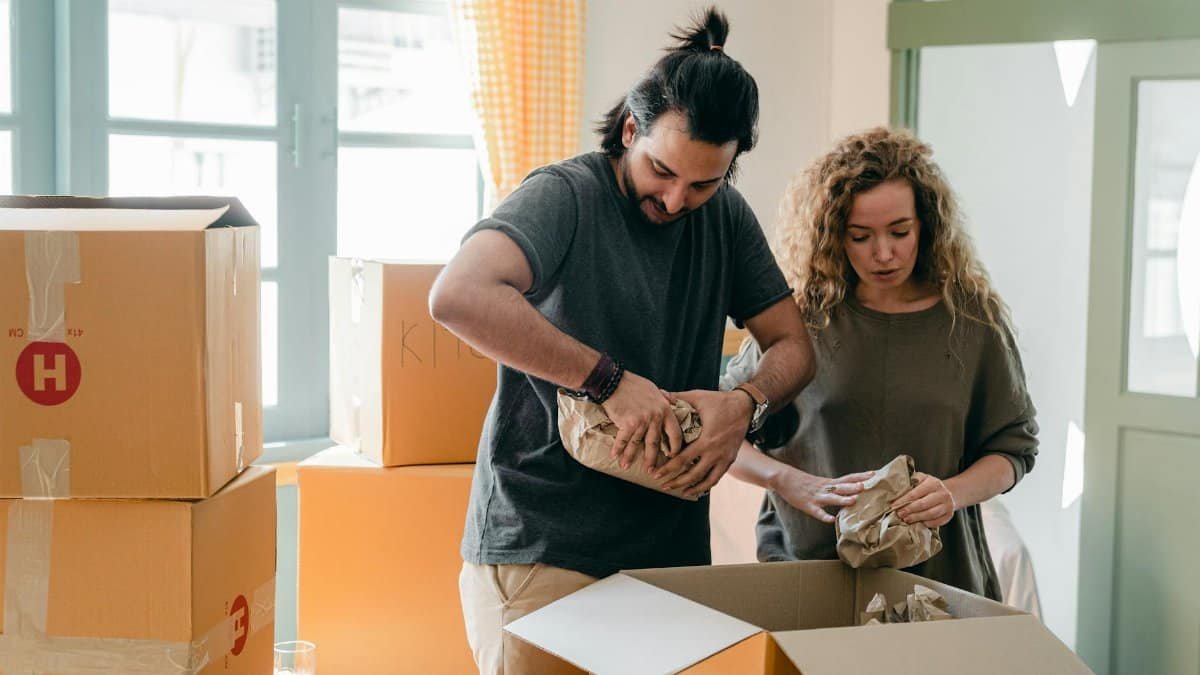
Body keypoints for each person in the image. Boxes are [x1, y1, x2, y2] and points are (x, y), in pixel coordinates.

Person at [428, 8, 815, 673]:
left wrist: (745, 402)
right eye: (661, 171)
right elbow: (458, 295)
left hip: (668, 560)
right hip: (543, 551)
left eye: (703, 182)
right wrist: (607, 381)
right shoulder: (565, 196)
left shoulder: (723, 217)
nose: (673, 200)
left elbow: (794, 349)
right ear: (631, 129)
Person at [724, 127, 1038, 600]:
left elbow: (1013, 449)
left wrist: (951, 493)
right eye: (861, 236)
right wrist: (788, 480)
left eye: (899, 231)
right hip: (808, 574)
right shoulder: (801, 322)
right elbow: (722, 433)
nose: (884, 253)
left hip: (937, 579)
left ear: (926, 225)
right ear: (834, 236)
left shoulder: (972, 322)